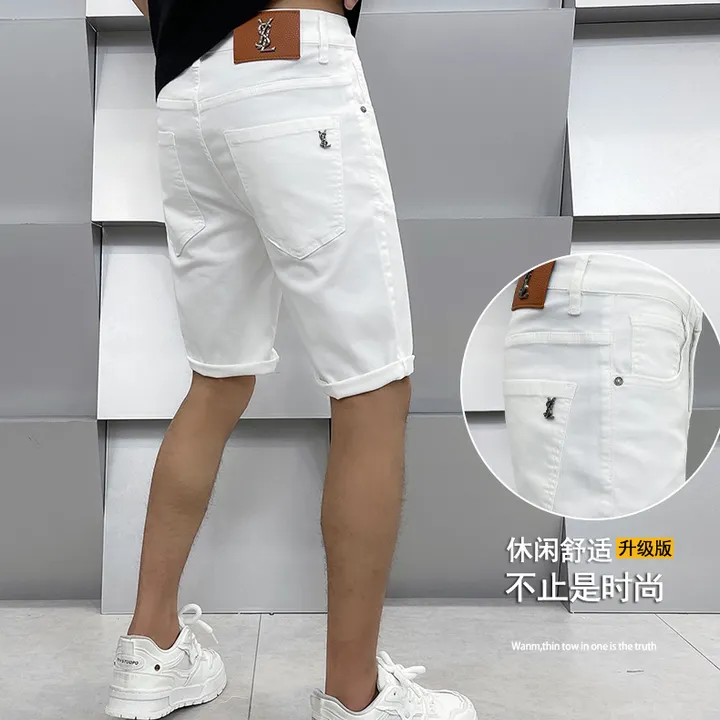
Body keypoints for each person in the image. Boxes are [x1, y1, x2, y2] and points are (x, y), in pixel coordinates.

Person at [106, 2, 477, 719]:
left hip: (186, 93)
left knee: (216, 380)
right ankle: (355, 698)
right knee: (371, 386)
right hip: (286, 63)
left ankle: (149, 650)